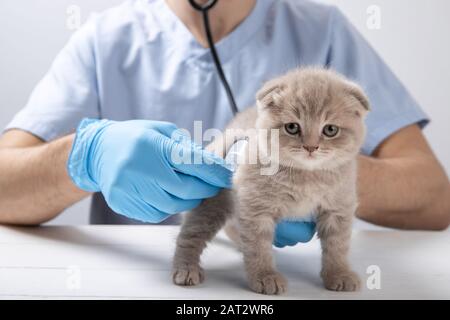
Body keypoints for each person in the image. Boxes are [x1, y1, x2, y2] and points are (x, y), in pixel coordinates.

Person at [0, 0, 449, 248]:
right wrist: (88, 155)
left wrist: (312, 171)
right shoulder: (105, 39)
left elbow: (433, 198)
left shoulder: (321, 28)